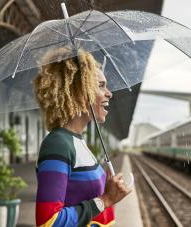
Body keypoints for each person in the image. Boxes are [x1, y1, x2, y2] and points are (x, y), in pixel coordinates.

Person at [33, 49, 132, 227]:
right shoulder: (58, 144)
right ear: (80, 91)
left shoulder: (77, 140)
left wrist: (109, 190)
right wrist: (106, 199)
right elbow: (48, 221)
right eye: (101, 85)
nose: (109, 93)